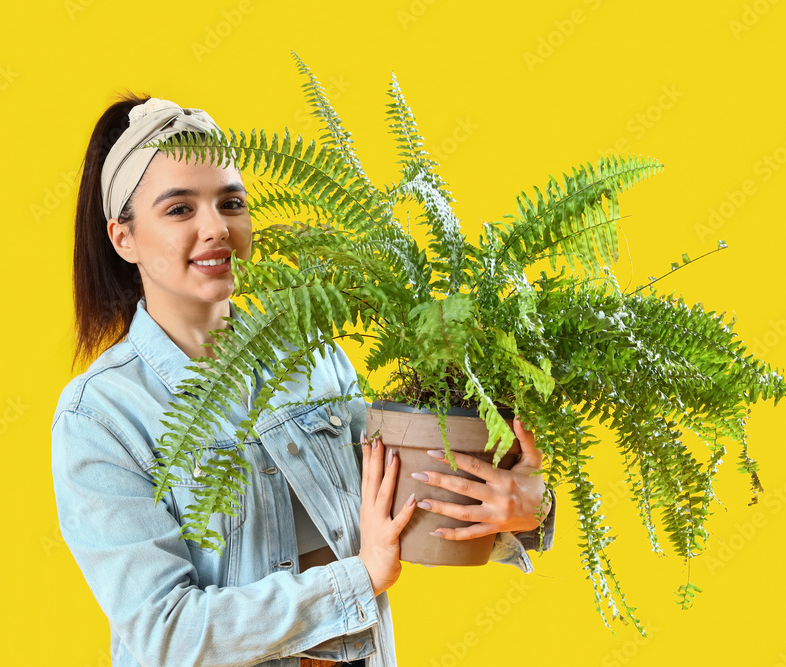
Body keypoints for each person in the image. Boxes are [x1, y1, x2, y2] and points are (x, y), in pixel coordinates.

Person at [51, 93, 556, 667]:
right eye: (179, 209)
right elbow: (164, 634)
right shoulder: (102, 416)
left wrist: (523, 505)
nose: (216, 228)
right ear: (124, 239)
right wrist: (358, 579)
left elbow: (408, 506)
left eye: (231, 203)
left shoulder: (311, 357)